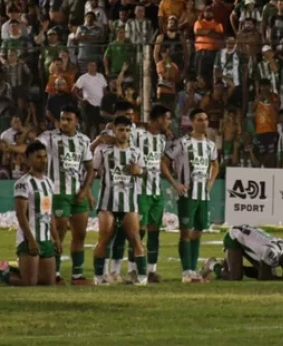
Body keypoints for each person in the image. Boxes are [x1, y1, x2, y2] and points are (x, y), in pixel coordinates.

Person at [10, 104, 94, 285]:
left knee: (80, 235)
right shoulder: (49, 137)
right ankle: (54, 273)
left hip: (77, 193)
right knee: (59, 232)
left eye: (68, 119)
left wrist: (86, 190)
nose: (64, 122)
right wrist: (13, 148)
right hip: (56, 192)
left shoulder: (84, 141)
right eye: (62, 119)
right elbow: (32, 148)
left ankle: (77, 275)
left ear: (77, 121)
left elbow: (90, 168)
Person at [0, 141, 63, 286]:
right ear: (28, 159)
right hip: (28, 238)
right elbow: (21, 214)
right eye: (38, 157)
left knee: (48, 283)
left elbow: (50, 214)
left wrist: (56, 238)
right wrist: (30, 240)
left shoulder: (49, 182)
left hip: (46, 239)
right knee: (29, 283)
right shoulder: (23, 183)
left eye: (44, 157)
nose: (42, 160)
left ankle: (8, 269)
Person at [162, 108, 219, 283]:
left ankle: (193, 271)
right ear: (192, 122)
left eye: (206, 119)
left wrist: (210, 182)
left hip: (203, 195)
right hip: (187, 195)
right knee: (185, 233)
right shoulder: (182, 143)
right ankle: (187, 272)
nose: (204, 123)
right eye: (200, 119)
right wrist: (175, 183)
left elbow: (215, 164)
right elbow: (164, 162)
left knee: (198, 233)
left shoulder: (210, 145)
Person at [90, 116, 148, 285]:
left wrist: (139, 171)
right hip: (107, 201)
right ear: (114, 130)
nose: (124, 134)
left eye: (128, 130)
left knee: (135, 238)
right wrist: (87, 192)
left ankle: (142, 278)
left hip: (129, 201)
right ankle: (99, 277)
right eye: (121, 130)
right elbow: (92, 171)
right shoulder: (103, 150)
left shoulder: (136, 152)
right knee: (104, 238)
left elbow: (144, 173)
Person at [126, 104, 172, 283]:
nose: (169, 123)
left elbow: (159, 162)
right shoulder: (137, 134)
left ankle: (152, 270)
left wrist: (173, 183)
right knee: (139, 232)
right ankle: (132, 270)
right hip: (140, 191)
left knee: (154, 231)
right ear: (159, 119)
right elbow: (119, 133)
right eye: (167, 119)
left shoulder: (161, 139)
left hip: (156, 191)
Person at [203, 225, 283, 281]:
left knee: (263, 270)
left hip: (250, 238)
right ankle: (212, 264)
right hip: (234, 237)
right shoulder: (272, 252)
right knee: (235, 277)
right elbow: (264, 277)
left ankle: (230, 264)